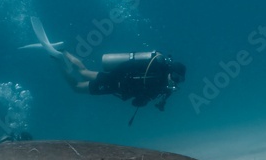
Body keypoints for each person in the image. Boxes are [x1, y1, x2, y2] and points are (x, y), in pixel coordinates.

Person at [58, 51, 186, 125]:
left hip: (117, 83)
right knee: (78, 85)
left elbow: (145, 95)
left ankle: (63, 53)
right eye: (175, 76)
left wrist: (146, 100)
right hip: (115, 82)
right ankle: (59, 60)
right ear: (171, 71)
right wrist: (115, 77)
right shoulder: (157, 72)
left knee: (84, 73)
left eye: (179, 80)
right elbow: (131, 68)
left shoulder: (164, 86)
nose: (175, 81)